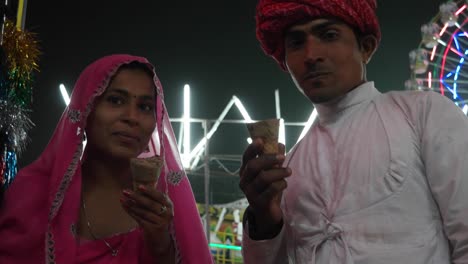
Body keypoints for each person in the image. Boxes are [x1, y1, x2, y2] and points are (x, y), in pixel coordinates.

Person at [239, 0, 468, 263]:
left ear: (366, 47)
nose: (311, 55)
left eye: (328, 35)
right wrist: (264, 219)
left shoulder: (424, 115)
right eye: (296, 43)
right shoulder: (288, 168)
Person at [0, 54, 213, 264]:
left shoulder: (161, 207)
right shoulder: (34, 192)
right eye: (115, 100)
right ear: (86, 109)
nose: (132, 117)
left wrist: (160, 244)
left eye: (145, 107)